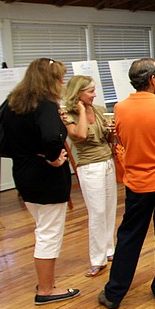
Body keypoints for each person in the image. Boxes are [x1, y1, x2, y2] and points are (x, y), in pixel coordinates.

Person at [98, 59, 155, 309]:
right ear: (153, 80)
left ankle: (114, 293)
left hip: (137, 182)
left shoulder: (120, 108)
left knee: (129, 236)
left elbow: (123, 138)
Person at [4, 58, 78, 305]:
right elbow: (50, 136)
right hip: (46, 177)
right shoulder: (45, 105)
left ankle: (45, 283)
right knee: (49, 232)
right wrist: (53, 157)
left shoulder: (13, 103)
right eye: (59, 78)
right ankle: (46, 290)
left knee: (42, 227)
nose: (62, 82)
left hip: (23, 173)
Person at [63, 75, 117, 278]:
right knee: (97, 212)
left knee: (110, 209)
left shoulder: (100, 110)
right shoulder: (69, 114)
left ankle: (109, 249)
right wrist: (81, 111)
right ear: (78, 94)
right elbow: (80, 136)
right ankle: (97, 258)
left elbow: (108, 138)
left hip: (107, 161)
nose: (94, 95)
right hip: (89, 166)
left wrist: (111, 131)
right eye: (90, 91)